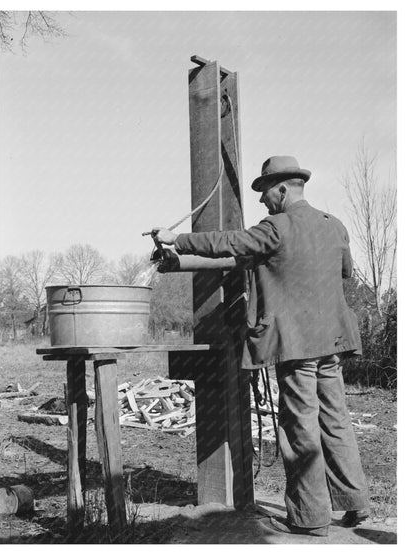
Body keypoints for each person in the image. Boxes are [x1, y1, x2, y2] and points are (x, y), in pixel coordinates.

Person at [152, 155, 369, 537]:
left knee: (300, 427)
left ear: (283, 189)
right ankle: (356, 503)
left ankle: (309, 517)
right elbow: (346, 273)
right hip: (332, 343)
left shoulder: (276, 228)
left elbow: (227, 242)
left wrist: (177, 239)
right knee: (335, 421)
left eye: (265, 193)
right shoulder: (335, 226)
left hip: (294, 346)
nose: (262, 201)